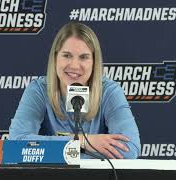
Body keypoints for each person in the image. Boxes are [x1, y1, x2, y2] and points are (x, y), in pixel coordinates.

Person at [9, 22, 141, 159]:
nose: (74, 65)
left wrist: (52, 151)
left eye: (84, 57)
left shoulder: (109, 91)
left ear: (94, 62)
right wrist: (82, 142)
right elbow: (15, 144)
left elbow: (129, 150)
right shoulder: (39, 90)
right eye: (66, 55)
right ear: (55, 58)